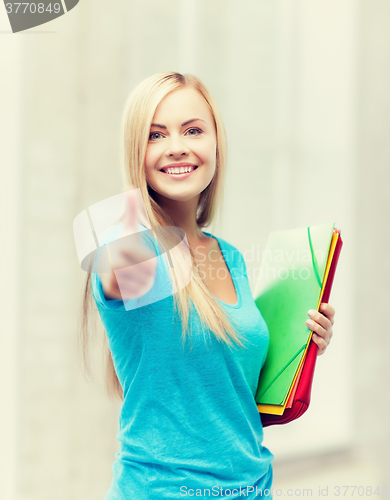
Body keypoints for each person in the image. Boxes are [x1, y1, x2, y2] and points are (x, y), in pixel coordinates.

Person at [80, 71, 336, 500]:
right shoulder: (132, 251)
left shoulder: (230, 257)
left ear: (216, 142)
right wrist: (133, 211)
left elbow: (229, 395)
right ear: (135, 152)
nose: (177, 145)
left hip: (253, 488)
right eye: (155, 135)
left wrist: (303, 344)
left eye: (193, 130)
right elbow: (111, 266)